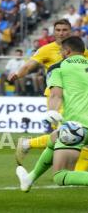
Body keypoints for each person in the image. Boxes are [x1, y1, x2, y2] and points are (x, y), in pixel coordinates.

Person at [9, 19, 88, 169]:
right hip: (56, 96)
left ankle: (29, 146)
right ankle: (70, 172)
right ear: (54, 32)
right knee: (70, 132)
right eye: (58, 30)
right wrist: (18, 75)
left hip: (77, 96)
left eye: (64, 30)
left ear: (70, 31)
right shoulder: (46, 49)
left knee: (68, 134)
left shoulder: (80, 51)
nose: (61, 33)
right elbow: (29, 65)